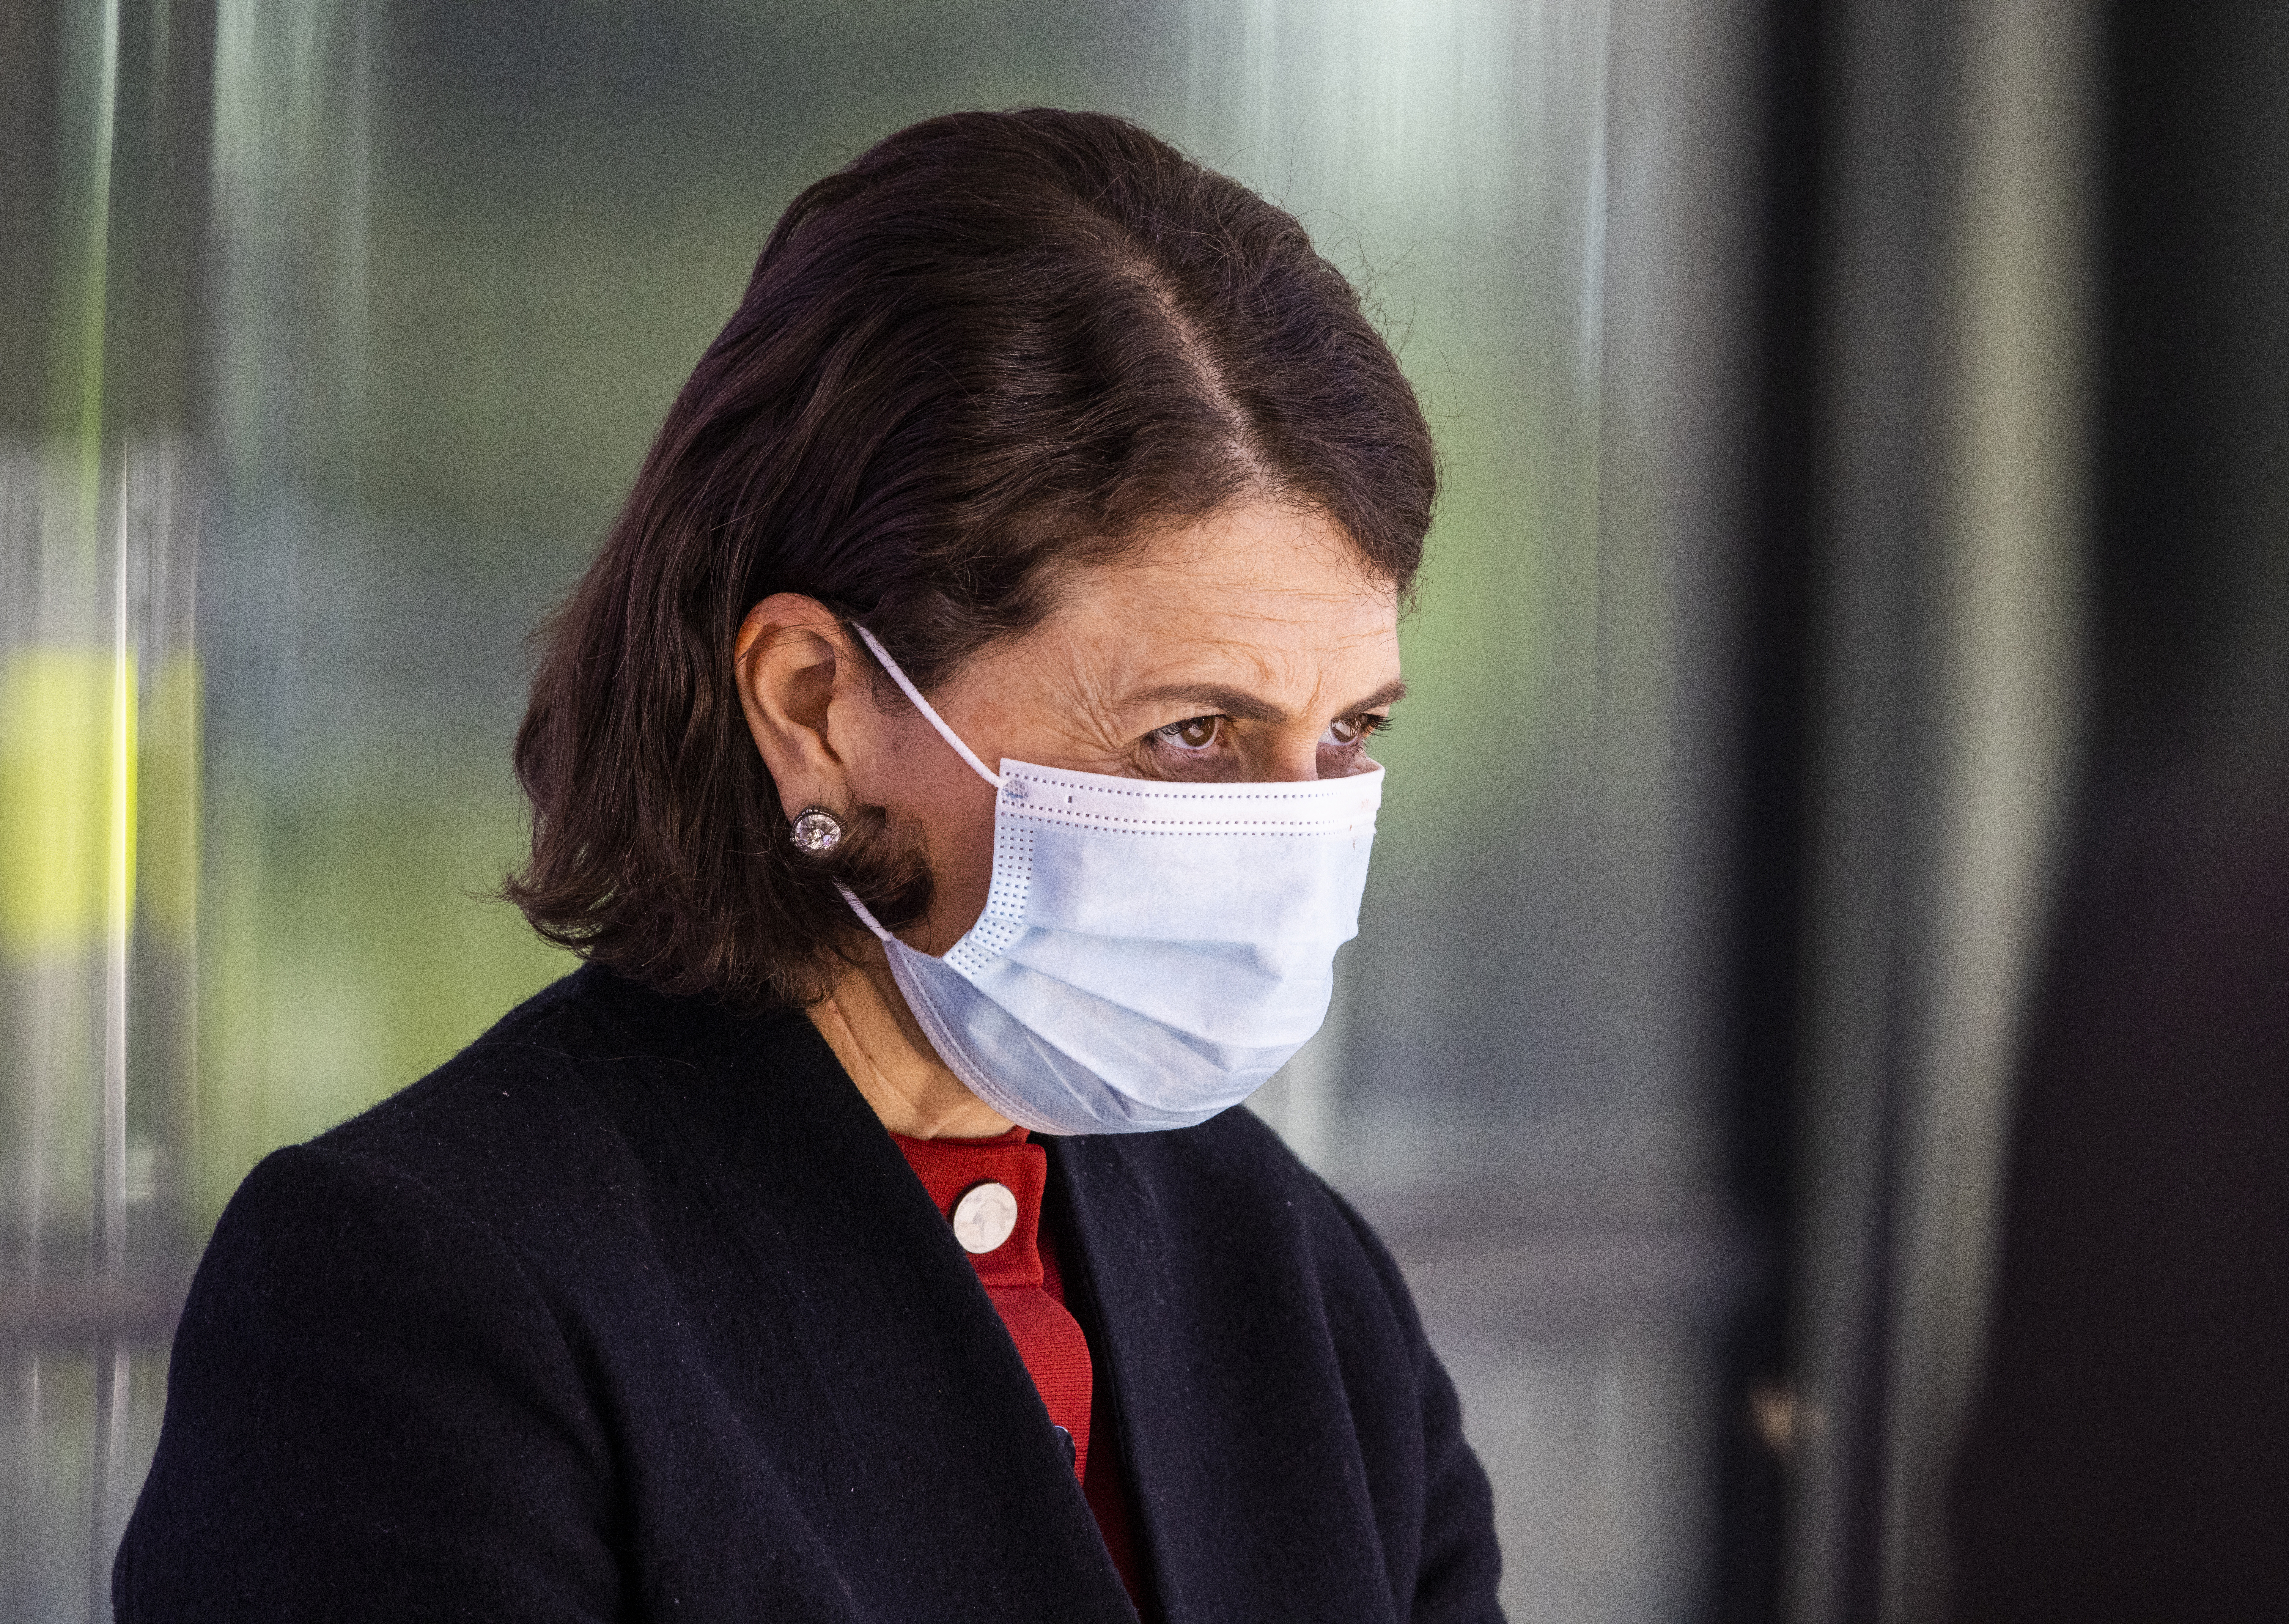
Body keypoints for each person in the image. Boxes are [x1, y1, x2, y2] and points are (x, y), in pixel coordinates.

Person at [113, 109, 1503, 1622]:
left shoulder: (1295, 1284)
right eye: (1188, 734)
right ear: (815, 708)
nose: (1286, 828)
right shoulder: (424, 1297)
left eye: (1349, 729)